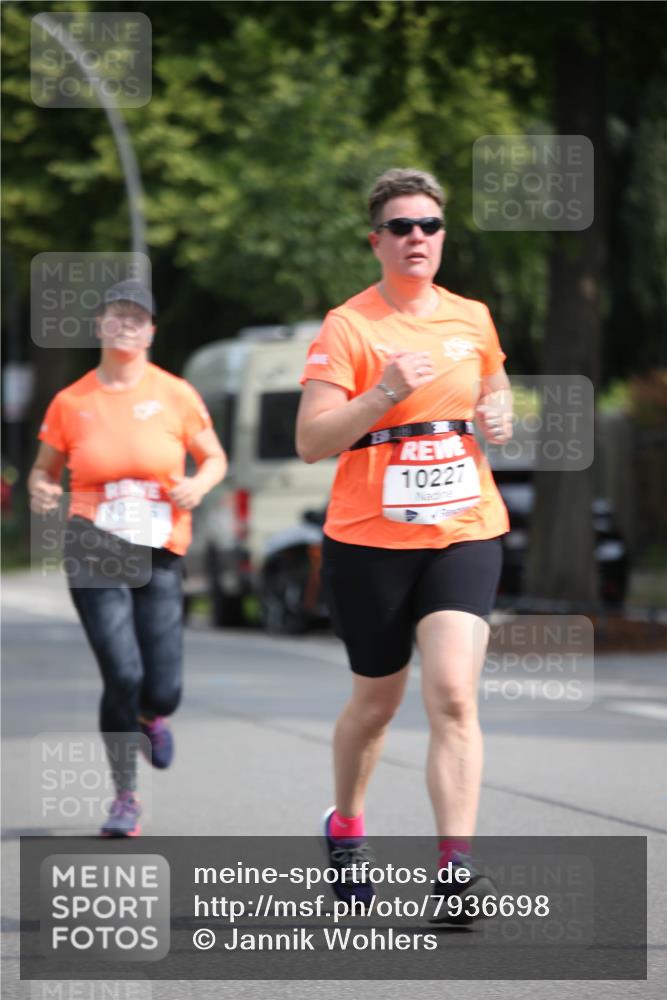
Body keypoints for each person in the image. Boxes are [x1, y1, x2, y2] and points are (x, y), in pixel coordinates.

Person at [296, 168, 513, 921]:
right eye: (400, 227)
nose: (416, 237)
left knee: (453, 694)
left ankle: (455, 873)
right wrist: (383, 392)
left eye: (428, 225)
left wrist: (499, 415)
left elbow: (492, 387)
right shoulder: (349, 326)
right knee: (377, 703)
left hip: (464, 527)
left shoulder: (473, 317)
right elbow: (311, 441)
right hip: (369, 539)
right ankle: (347, 829)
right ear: (376, 241)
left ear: (442, 235)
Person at [28, 279, 227, 836]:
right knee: (121, 673)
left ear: (151, 331)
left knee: (162, 688)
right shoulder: (72, 401)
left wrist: (199, 484)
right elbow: (45, 471)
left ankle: (149, 715)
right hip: (94, 544)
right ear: (100, 325)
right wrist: (42, 491)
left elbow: (213, 458)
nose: (125, 325)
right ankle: (124, 797)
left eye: (137, 318)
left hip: (160, 549)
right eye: (116, 315)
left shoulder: (177, 394)